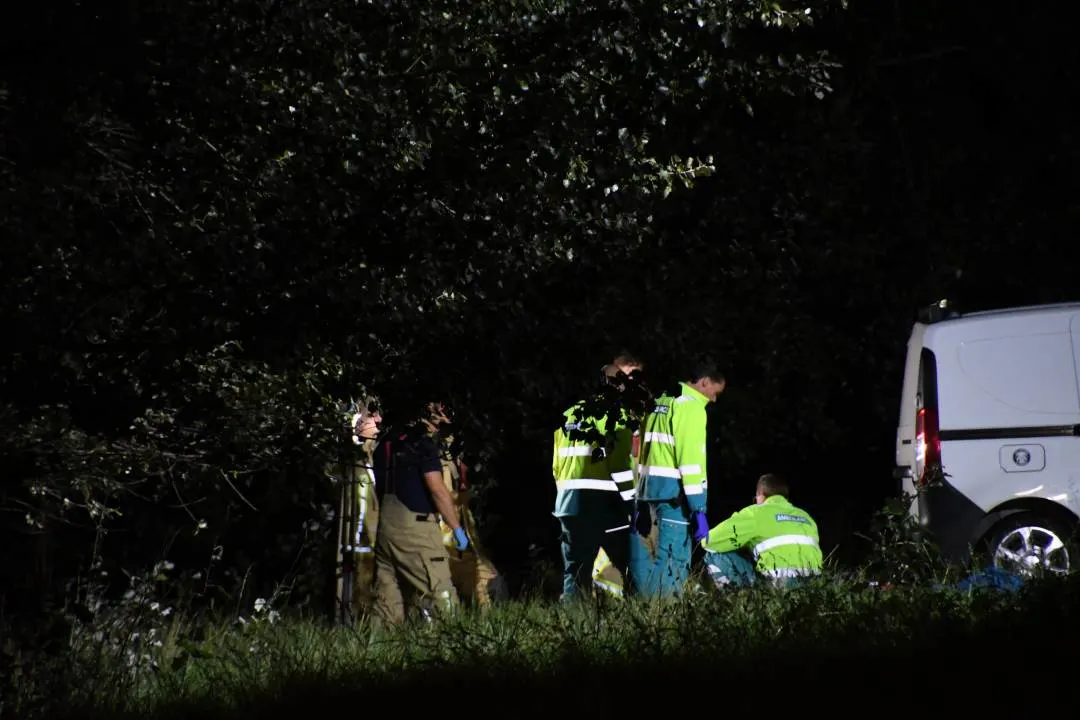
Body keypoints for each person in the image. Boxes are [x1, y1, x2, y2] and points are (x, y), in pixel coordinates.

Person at [627, 360, 726, 598]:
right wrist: (699, 508)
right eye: (715, 393)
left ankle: (646, 601)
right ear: (704, 383)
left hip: (648, 489)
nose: (714, 400)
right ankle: (661, 607)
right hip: (673, 493)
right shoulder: (691, 407)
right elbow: (691, 462)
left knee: (646, 550)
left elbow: (638, 450)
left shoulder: (659, 401)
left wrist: (637, 493)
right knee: (673, 555)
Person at [371, 400, 469, 624]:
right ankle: (455, 645)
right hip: (415, 531)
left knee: (388, 605)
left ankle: (378, 653)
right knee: (441, 596)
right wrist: (456, 528)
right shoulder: (421, 444)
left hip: (386, 528)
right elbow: (437, 489)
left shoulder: (386, 443)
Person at [552, 359, 640, 601]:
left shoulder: (569, 414)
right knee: (628, 564)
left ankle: (573, 625)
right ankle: (642, 620)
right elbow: (620, 466)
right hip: (603, 502)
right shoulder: (616, 414)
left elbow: (557, 466)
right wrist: (632, 503)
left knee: (575, 570)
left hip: (567, 503)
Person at [700, 473, 823, 588]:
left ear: (760, 495)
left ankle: (737, 600)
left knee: (714, 555)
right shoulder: (806, 517)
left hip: (778, 584)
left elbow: (709, 541)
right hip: (814, 583)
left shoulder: (756, 512)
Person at [432, 420, 504, 608]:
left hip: (462, 543)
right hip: (447, 543)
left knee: (489, 584)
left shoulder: (452, 452)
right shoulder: (438, 456)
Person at [330, 397, 382, 623]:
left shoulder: (380, 454)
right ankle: (355, 621)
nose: (377, 420)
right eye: (370, 416)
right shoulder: (353, 460)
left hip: (379, 538)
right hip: (358, 539)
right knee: (357, 580)